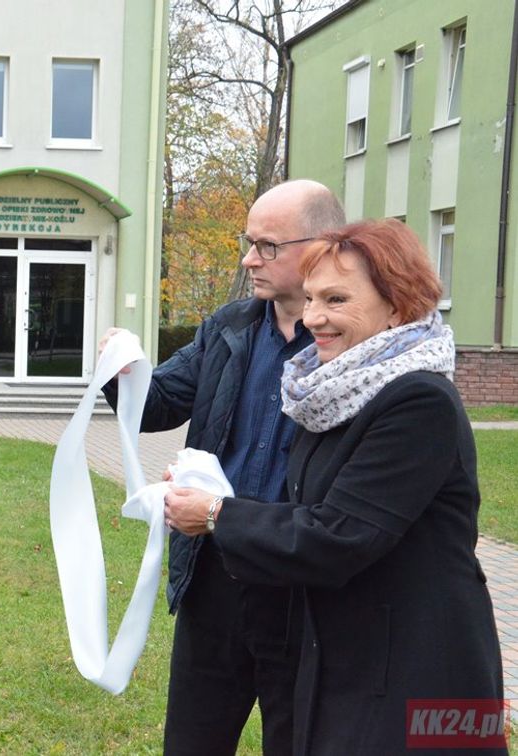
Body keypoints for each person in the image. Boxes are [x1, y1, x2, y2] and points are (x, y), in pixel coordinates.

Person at [165, 218, 504, 754]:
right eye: (311, 298)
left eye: (337, 299)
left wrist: (215, 515)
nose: (315, 317)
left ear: (397, 305)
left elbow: (338, 534)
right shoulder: (329, 395)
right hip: (346, 656)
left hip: (420, 669)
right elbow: (306, 507)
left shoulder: (418, 401)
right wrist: (203, 487)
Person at [99, 179, 346, 754]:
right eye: (247, 241)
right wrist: (121, 367)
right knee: (194, 740)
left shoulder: (346, 343)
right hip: (214, 576)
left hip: (303, 588)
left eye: (267, 246)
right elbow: (157, 404)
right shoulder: (229, 328)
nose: (248, 258)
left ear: (322, 245)